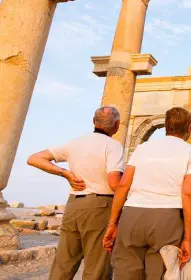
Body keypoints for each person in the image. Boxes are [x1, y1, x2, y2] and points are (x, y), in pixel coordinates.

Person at [102, 107, 191, 279]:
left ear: (166, 126)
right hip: (167, 219)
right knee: (158, 273)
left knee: (125, 273)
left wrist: (113, 223)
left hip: (132, 216)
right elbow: (189, 193)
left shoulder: (142, 148)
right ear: (189, 128)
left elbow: (123, 185)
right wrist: (188, 237)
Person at [27, 106, 124, 279]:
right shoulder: (113, 146)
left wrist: (65, 173)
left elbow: (34, 158)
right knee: (97, 268)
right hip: (101, 206)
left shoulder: (75, 143)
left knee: (63, 264)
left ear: (94, 122)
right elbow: (114, 182)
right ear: (117, 125)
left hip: (73, 205)